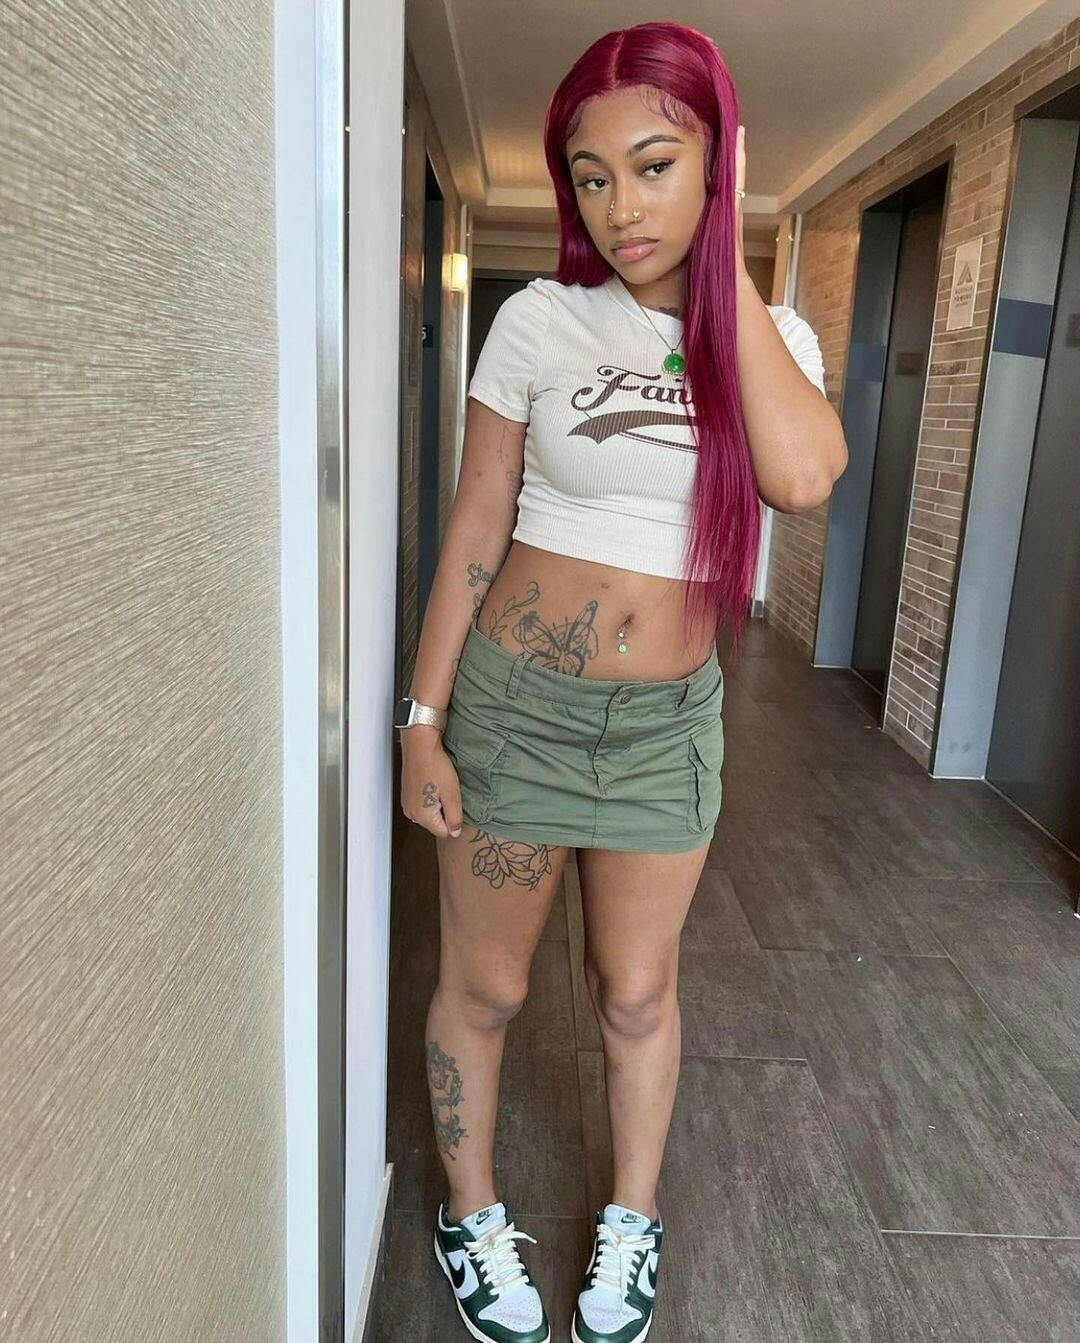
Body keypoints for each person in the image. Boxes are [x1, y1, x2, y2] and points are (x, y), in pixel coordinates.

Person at [394, 21, 847, 1343]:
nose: (621, 207)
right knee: (488, 990)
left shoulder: (771, 339)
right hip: (517, 712)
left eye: (655, 165)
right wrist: (423, 720)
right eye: (591, 178)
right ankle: (471, 1212)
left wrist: (729, 270)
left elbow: (802, 477)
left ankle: (632, 1219)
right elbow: (478, 522)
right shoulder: (540, 321)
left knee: (638, 995)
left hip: (664, 730)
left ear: (719, 163)